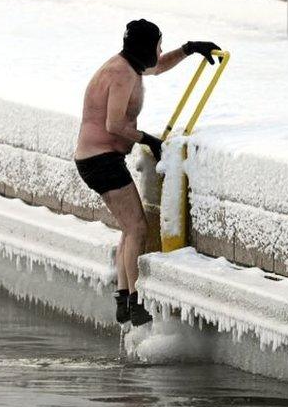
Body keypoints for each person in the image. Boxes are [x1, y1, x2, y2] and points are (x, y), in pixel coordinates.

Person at [73, 19, 220, 325]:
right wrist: (149, 140)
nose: (161, 50)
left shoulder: (130, 67)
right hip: (100, 160)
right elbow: (113, 125)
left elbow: (159, 66)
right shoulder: (120, 74)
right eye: (158, 45)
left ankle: (125, 300)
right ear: (145, 46)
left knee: (130, 229)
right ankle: (133, 301)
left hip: (101, 158)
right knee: (137, 228)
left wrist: (190, 49)